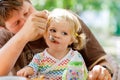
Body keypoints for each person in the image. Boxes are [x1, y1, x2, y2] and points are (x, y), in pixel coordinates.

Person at [0, 0, 112, 80]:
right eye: (16, 23)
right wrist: (23, 35)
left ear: (30, 2)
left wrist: (101, 69)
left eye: (26, 12)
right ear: (4, 27)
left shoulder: (66, 21)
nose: (28, 21)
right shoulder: (5, 37)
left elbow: (100, 60)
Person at [17, 8, 88, 80]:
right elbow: (32, 68)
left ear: (71, 40)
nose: (57, 35)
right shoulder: (39, 58)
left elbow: (83, 74)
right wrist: (27, 70)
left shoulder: (75, 57)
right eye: (53, 30)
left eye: (64, 33)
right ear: (45, 34)